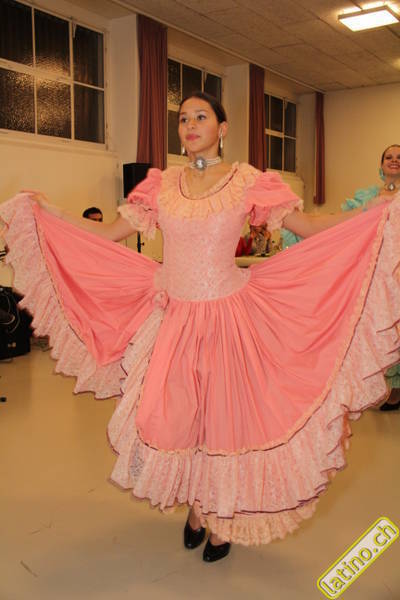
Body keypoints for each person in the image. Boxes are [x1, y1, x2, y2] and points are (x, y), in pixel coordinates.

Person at [0, 92, 399, 563]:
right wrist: (50, 212)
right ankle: (196, 506)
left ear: (222, 129)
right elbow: (107, 234)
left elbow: (308, 226)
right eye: (183, 118)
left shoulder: (247, 181)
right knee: (179, 420)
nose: (189, 126)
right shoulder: (162, 184)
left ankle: (218, 517)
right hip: (172, 320)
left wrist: (375, 212)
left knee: (221, 424)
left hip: (229, 320)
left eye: (201, 117)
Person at [282, 144, 400, 411]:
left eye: (399, 157)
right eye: (389, 157)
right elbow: (345, 225)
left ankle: (396, 387)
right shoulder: (366, 198)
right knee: (371, 329)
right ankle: (376, 383)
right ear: (381, 165)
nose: (394, 161)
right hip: (369, 273)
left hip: (396, 272)